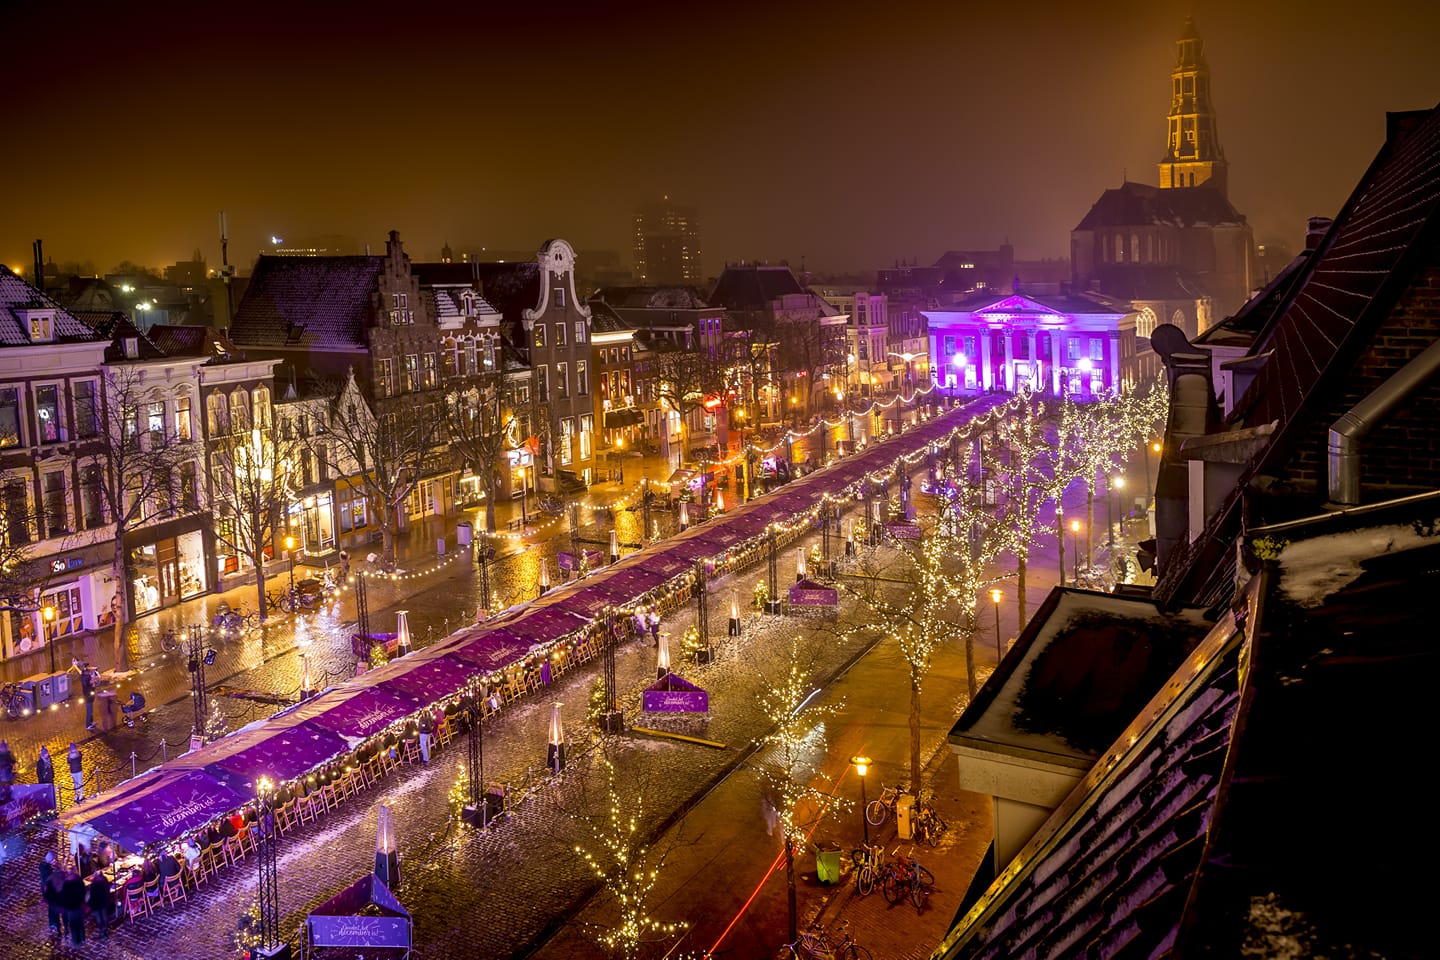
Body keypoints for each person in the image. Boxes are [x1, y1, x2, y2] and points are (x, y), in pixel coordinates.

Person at [59, 868, 86, 945]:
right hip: (79, 905)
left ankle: (75, 941)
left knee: (73, 924)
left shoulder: (66, 884)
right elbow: (83, 891)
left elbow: (63, 896)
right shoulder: (79, 881)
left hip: (71, 907)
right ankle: (82, 938)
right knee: (80, 923)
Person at [40, 851, 62, 937]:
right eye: (53, 860)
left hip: (48, 892)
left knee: (51, 908)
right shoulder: (47, 871)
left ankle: (52, 924)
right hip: (50, 893)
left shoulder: (45, 867)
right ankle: (56, 925)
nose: (55, 861)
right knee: (54, 908)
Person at [88, 869, 114, 940]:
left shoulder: (94, 884)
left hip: (96, 903)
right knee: (104, 916)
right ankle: (105, 929)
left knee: (99, 918)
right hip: (104, 902)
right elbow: (107, 890)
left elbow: (92, 894)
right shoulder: (104, 880)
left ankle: (101, 931)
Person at [80, 661, 97, 730]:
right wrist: (93, 684)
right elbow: (89, 686)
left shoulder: (86, 677)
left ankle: (91, 722)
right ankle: (88, 725)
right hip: (88, 696)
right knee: (89, 711)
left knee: (91, 710)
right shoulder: (86, 678)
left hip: (90, 696)